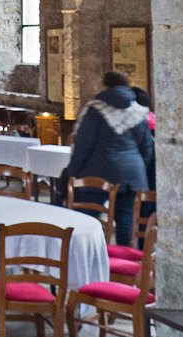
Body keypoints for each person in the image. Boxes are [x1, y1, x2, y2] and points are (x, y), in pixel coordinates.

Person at [64, 70, 154, 245]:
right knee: (125, 219)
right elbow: (147, 148)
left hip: (98, 172)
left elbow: (83, 144)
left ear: (105, 85)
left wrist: (73, 171)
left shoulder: (96, 109)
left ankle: (84, 252)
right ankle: (123, 255)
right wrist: (138, 167)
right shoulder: (137, 110)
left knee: (87, 217)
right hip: (131, 174)